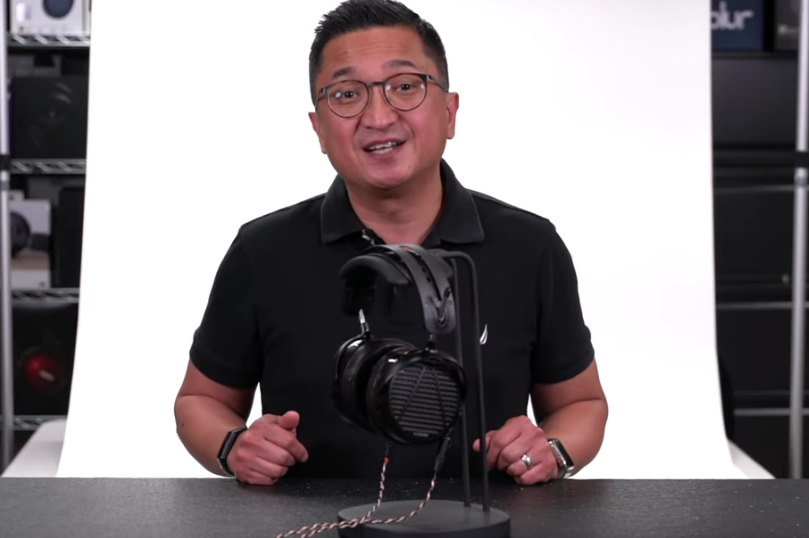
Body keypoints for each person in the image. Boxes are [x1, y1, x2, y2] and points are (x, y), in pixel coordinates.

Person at [174, 0, 608, 487]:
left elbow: (581, 403)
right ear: (319, 129)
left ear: (450, 112)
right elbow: (200, 400)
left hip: (492, 520)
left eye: (405, 87)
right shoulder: (262, 251)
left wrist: (552, 450)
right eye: (347, 94)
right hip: (310, 521)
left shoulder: (529, 246)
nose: (378, 117)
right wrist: (234, 446)